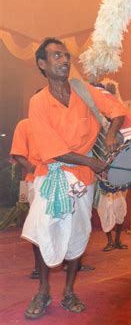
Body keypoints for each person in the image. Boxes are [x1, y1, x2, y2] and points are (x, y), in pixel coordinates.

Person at [21, 37, 126, 319]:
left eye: (66, 55)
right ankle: (42, 291)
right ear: (42, 64)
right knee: (45, 233)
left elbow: (118, 110)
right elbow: (52, 149)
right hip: (52, 175)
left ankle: (69, 291)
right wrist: (92, 160)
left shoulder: (84, 91)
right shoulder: (38, 101)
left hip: (84, 181)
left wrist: (113, 133)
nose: (64, 60)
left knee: (78, 236)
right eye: (56, 56)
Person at [91, 79, 130, 252]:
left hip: (119, 171)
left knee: (120, 207)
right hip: (101, 171)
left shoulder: (117, 123)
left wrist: (115, 95)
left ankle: (118, 239)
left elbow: (121, 112)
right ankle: (109, 240)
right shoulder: (94, 122)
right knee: (104, 208)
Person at [10, 117, 41, 279]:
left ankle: (65, 260)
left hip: (62, 178)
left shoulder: (58, 120)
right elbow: (18, 153)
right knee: (37, 223)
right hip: (36, 181)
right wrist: (33, 168)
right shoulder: (25, 124)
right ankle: (38, 266)